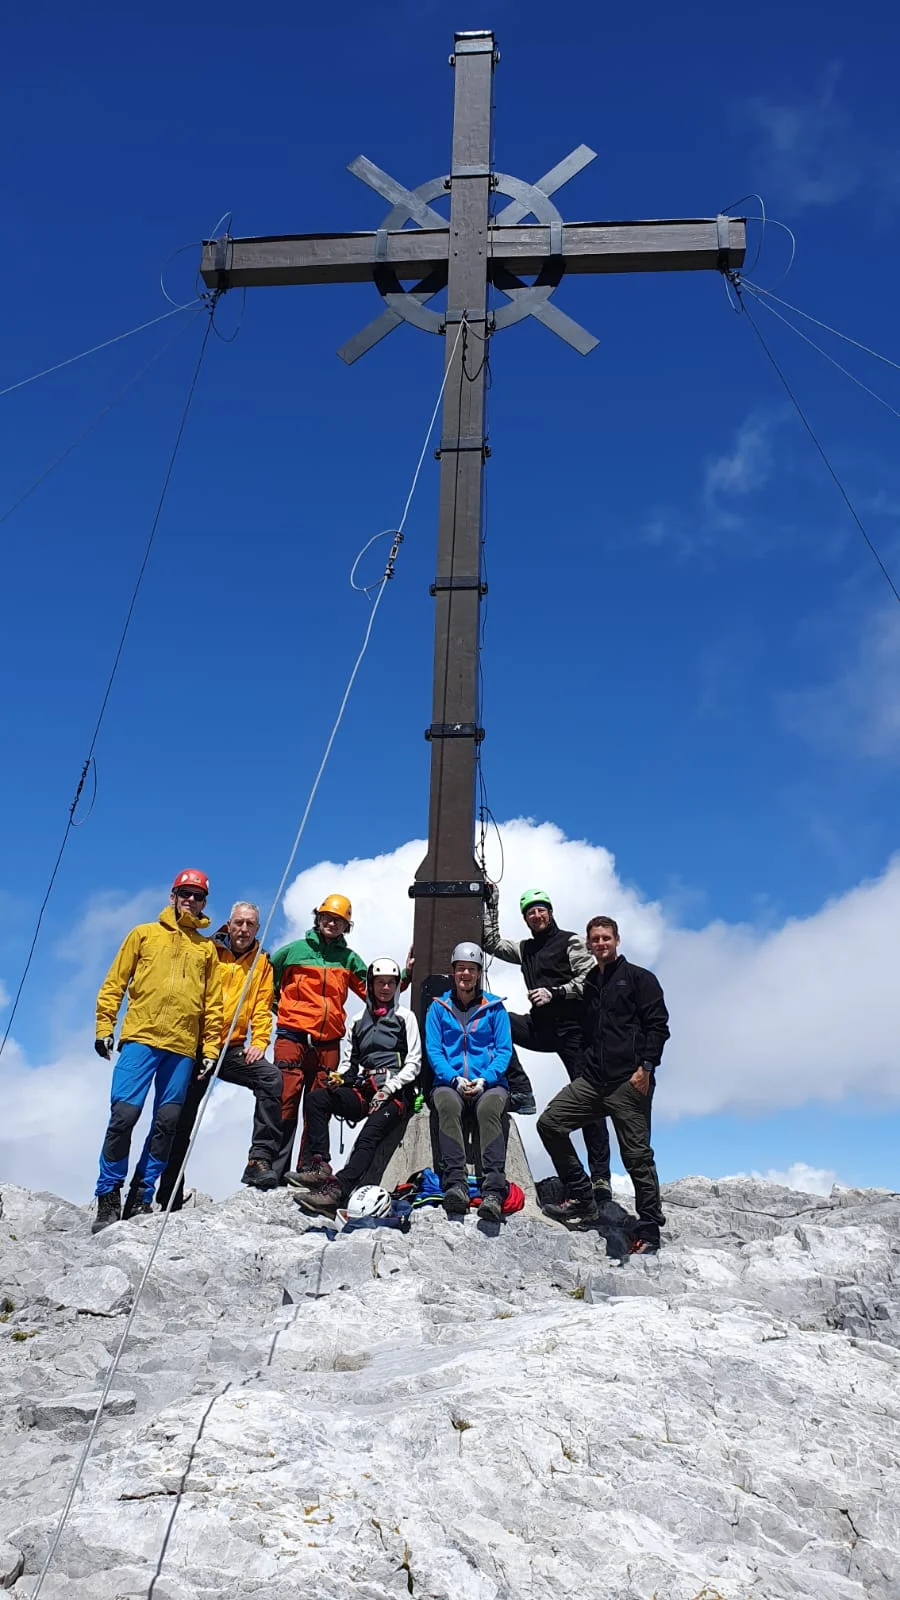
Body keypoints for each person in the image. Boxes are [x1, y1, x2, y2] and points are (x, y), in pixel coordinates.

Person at [124, 901, 282, 1214]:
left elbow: (263, 1006)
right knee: (177, 1121)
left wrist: (260, 1040)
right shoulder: (208, 949)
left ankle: (259, 1159)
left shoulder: (262, 962)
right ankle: (160, 1193)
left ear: (257, 929)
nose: (244, 930)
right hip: (195, 1044)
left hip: (233, 1046)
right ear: (229, 923)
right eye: (239, 923)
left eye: (250, 924)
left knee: (271, 1078)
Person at [91, 868, 224, 1233]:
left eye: (198, 896)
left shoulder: (206, 949)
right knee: (123, 1118)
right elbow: (114, 983)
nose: (191, 900)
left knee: (166, 1125)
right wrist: (105, 1026)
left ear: (204, 902)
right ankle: (108, 1196)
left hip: (182, 1048)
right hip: (140, 1040)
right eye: (185, 893)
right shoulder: (144, 935)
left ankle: (140, 1197)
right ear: (173, 895)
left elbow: (213, 1005)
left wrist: (210, 1047)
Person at [537, 915, 670, 1252]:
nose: (600, 944)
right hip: (593, 1082)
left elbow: (658, 1026)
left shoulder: (640, 979)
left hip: (629, 1082)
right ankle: (583, 1195)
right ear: (588, 943)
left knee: (637, 1156)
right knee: (550, 1124)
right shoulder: (590, 983)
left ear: (617, 940)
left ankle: (650, 1227)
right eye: (594, 939)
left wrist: (646, 1068)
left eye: (605, 938)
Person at [483, 884, 611, 1197]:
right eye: (530, 912)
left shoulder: (570, 942)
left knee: (588, 1101)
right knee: (494, 1017)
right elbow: (491, 942)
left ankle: (600, 1178)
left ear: (550, 912)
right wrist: (492, 902)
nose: (537, 915)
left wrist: (555, 992)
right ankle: (521, 1088)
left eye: (541, 910)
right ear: (526, 918)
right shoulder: (526, 949)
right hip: (540, 1028)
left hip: (574, 1033)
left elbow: (591, 980)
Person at [291, 956, 422, 1218]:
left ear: (397, 986)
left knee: (369, 1135)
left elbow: (414, 1062)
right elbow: (350, 1064)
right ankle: (319, 1164)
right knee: (318, 1098)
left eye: (391, 983)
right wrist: (339, 1079)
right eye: (380, 983)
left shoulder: (405, 1018)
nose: (385, 988)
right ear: (370, 985)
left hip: (396, 1093)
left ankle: (337, 1190)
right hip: (366, 1088)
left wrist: (390, 1088)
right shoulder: (357, 1021)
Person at [270, 893, 368, 1182]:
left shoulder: (349, 959)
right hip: (293, 1036)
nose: (331, 923)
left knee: (318, 1105)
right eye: (327, 917)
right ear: (318, 917)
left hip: (328, 1044)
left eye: (339, 920)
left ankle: (308, 1169)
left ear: (346, 926)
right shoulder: (291, 952)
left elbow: (375, 989)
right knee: (284, 1101)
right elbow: (268, 985)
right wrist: (284, 1011)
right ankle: (273, 1170)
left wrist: (406, 973)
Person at [425, 942, 512, 1224]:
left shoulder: (495, 1008)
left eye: (471, 969)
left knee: (488, 1109)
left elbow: (503, 1051)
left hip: (490, 1081)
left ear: (478, 973)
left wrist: (485, 1080)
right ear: (453, 972)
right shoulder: (438, 1009)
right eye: (461, 968)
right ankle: (455, 1185)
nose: (466, 974)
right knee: (447, 1105)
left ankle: (494, 1191)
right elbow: (434, 1050)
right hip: (449, 1081)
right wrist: (454, 1079)